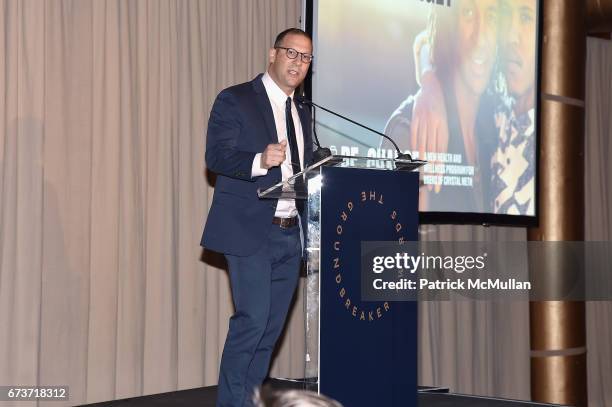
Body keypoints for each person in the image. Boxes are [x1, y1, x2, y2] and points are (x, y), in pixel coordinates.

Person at [201, 28, 314, 407]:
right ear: (273, 54)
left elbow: (303, 170)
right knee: (251, 324)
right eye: (292, 53)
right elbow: (216, 157)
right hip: (251, 231)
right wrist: (258, 160)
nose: (298, 63)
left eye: (306, 57)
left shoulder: (302, 110)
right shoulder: (236, 100)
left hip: (289, 233)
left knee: (269, 331)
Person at [410, 0, 537, 215]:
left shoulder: (557, 135)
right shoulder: (499, 114)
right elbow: (427, 39)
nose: (510, 36)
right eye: (468, 13)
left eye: (526, 17)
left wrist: (429, 79)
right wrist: (430, 82)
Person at [383, 0, 501, 212]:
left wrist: (428, 77)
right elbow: (394, 235)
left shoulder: (498, 121)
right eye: (468, 13)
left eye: (492, 16)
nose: (481, 37)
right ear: (449, 26)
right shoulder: (411, 128)